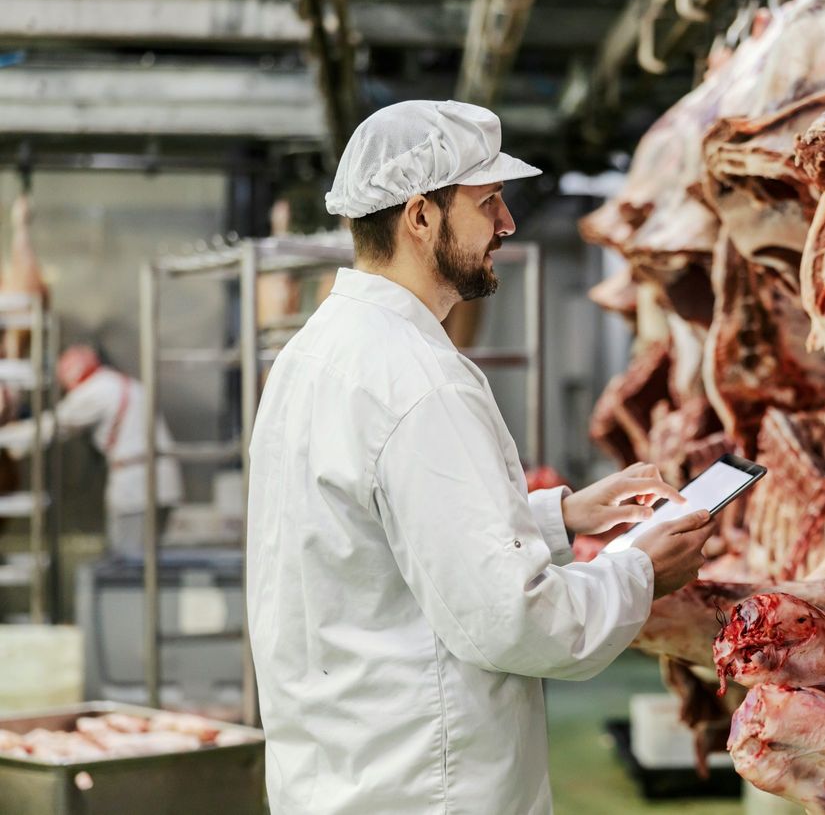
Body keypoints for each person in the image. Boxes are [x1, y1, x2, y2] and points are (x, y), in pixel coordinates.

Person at [246, 100, 715, 815]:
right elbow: (515, 619)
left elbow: (385, 538)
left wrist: (561, 514)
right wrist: (641, 569)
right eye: (488, 201)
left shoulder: (318, 351)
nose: (507, 223)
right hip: (427, 785)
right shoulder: (415, 379)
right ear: (420, 217)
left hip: (342, 772)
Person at [0, 345, 183, 557]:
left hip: (136, 487)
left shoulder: (96, 391)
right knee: (148, 559)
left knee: (128, 559)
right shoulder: (117, 383)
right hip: (162, 482)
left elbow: (55, 426)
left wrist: (8, 437)